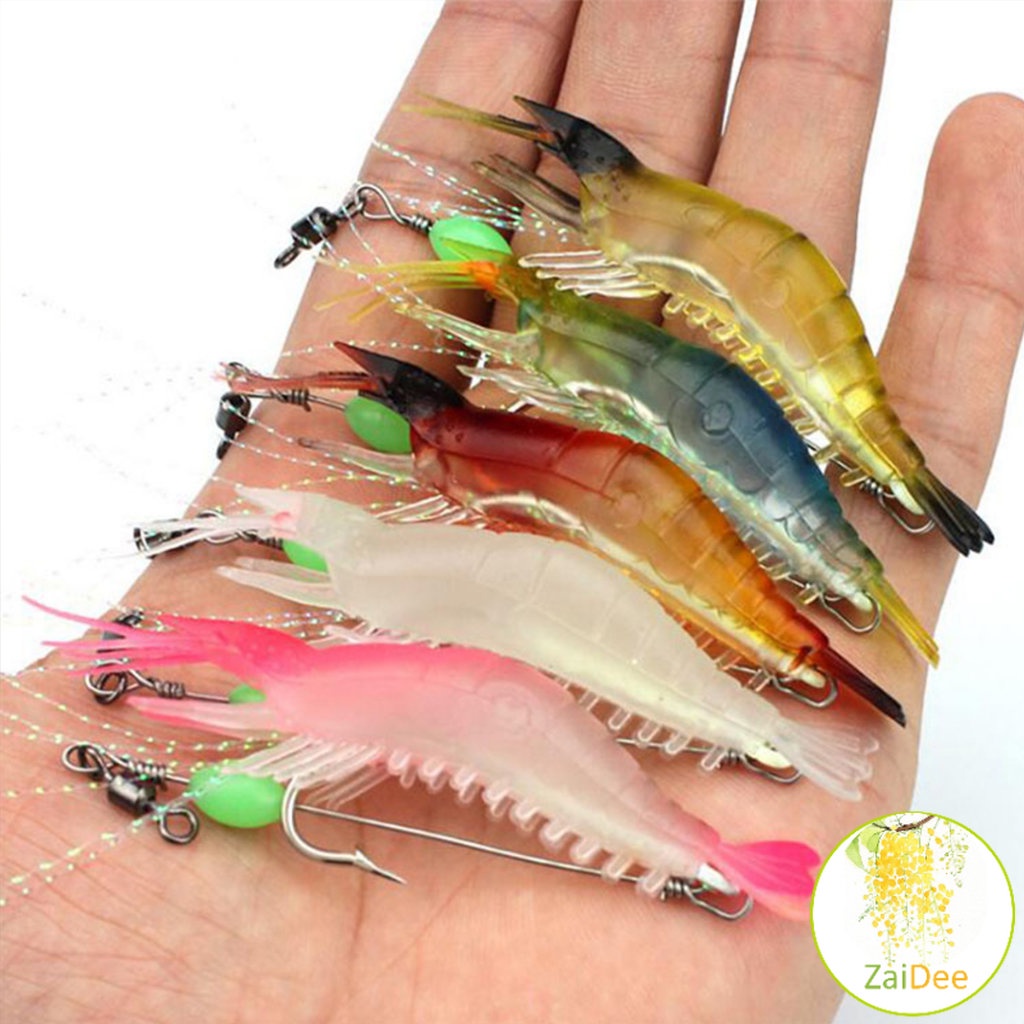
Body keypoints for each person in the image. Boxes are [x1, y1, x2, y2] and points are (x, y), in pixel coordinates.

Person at [2, 3, 1022, 1021]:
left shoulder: (503, 412)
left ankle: (787, 682)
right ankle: (765, 725)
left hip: (665, 528)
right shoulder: (423, 517)